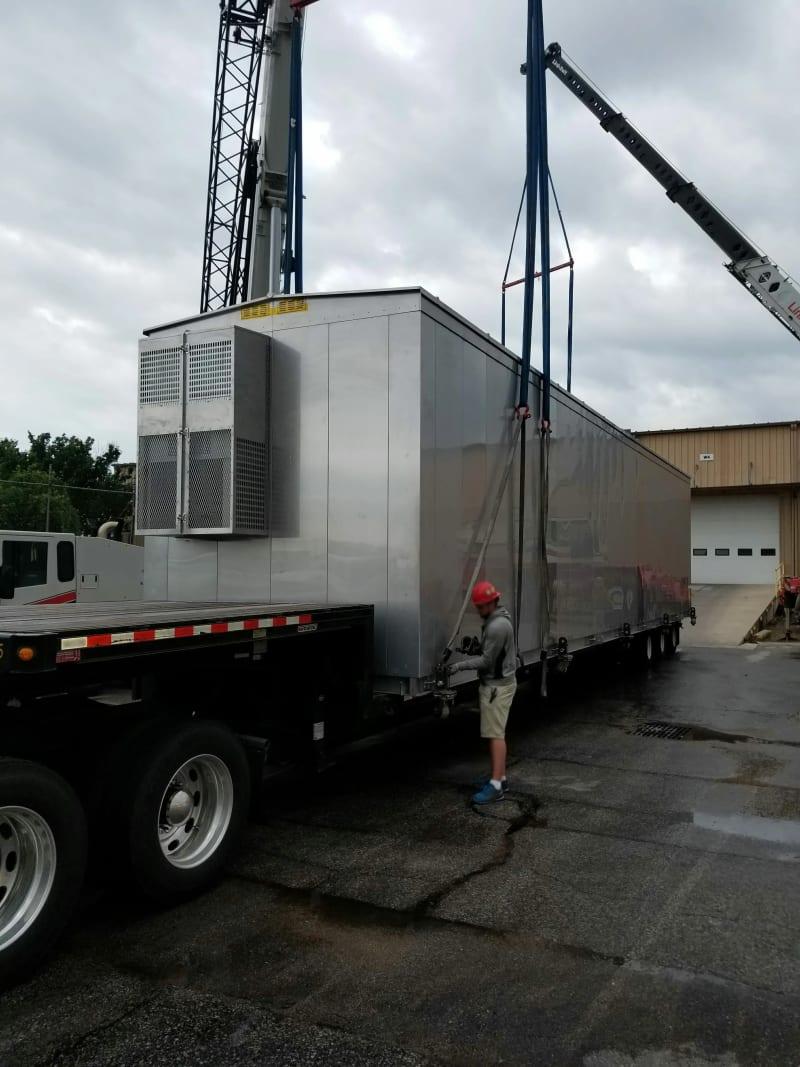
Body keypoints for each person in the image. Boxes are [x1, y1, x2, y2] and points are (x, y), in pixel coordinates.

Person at [447, 580, 518, 805]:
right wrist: (477, 648)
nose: (477, 610)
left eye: (480, 606)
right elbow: (492, 653)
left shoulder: (497, 626)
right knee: (495, 733)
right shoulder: (498, 618)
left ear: (490, 603)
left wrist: (459, 666)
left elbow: (487, 661)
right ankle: (501, 779)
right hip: (499, 683)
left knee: (495, 735)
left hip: (497, 687)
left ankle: (496, 786)